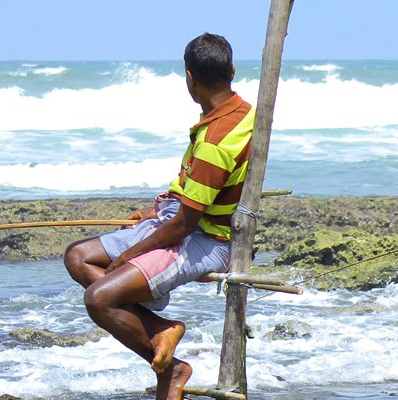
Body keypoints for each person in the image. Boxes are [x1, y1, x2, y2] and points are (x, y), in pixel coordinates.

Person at [61, 33, 254, 400]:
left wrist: (130, 254)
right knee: (78, 256)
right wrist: (154, 212)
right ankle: (160, 328)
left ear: (189, 78)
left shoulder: (217, 139)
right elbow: (194, 197)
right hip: (176, 219)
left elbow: (186, 224)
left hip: (204, 240)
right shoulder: (239, 112)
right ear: (231, 70)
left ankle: (173, 367)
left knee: (99, 299)